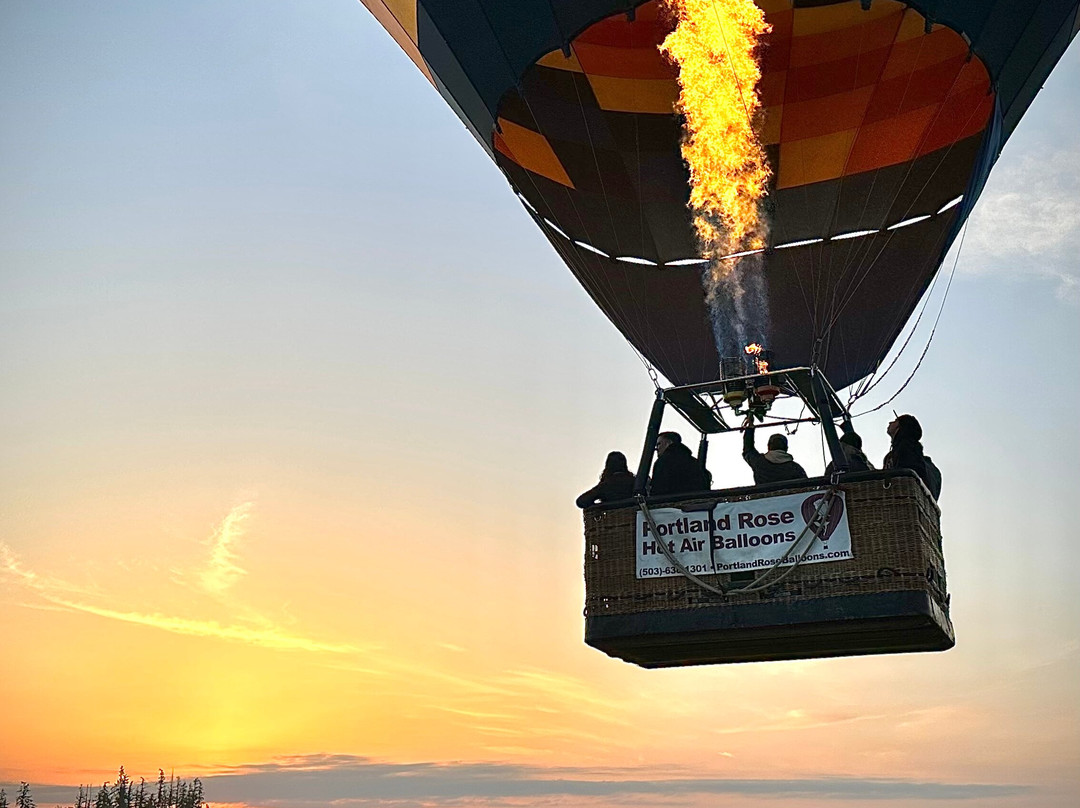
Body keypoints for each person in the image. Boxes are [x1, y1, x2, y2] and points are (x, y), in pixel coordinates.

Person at [742, 416, 808, 485]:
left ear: (768, 446)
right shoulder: (795, 468)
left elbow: (748, 450)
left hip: (765, 495)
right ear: (786, 448)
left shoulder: (759, 462)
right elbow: (806, 486)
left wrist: (750, 427)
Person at [883, 413, 936, 496]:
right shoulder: (901, 450)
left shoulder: (907, 448)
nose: (890, 422)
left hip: (902, 496)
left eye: (895, 421)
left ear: (901, 426)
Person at [649, 432, 709, 497]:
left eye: (659, 444)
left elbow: (658, 490)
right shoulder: (694, 462)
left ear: (668, 443)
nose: (656, 448)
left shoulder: (663, 462)